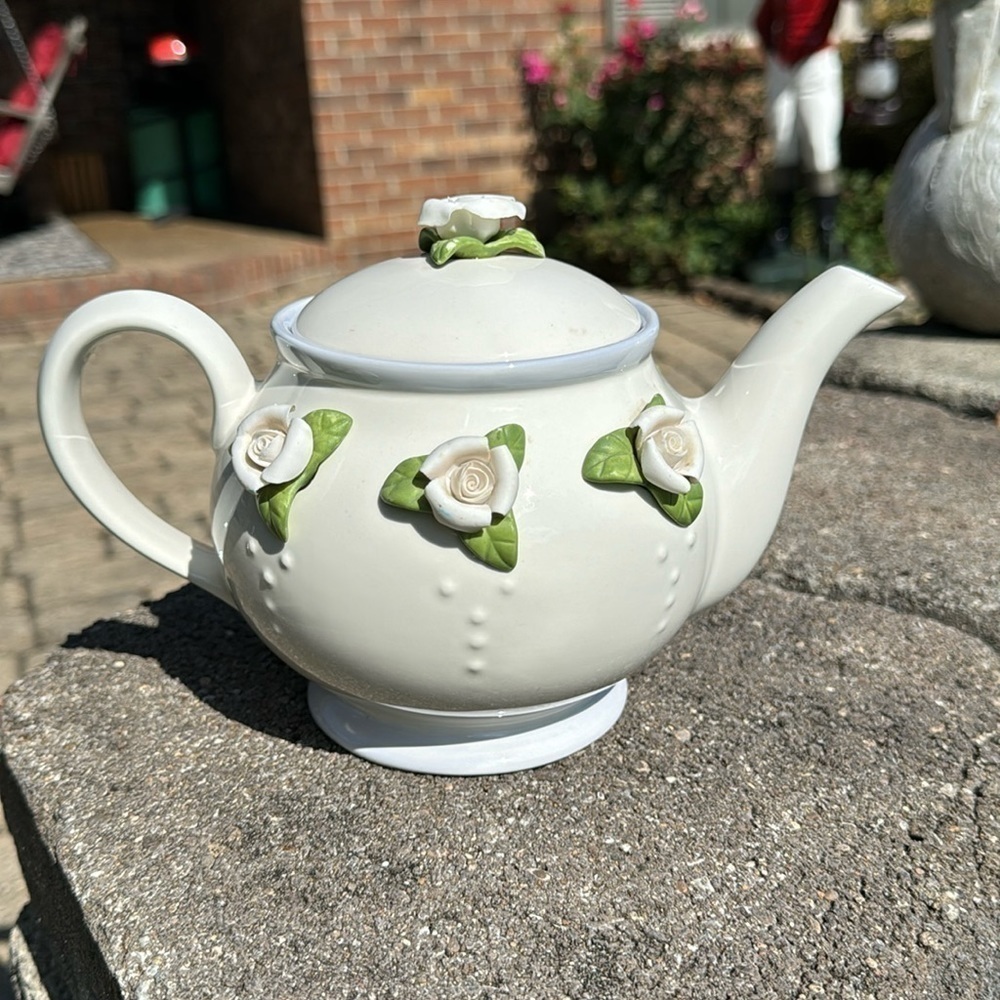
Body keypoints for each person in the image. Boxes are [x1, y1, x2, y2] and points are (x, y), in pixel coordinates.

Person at [754, 0, 843, 260]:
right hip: (782, 65)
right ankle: (782, 232)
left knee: (820, 147)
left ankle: (827, 233)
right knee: (783, 147)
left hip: (816, 62)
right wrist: (773, 55)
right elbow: (763, 21)